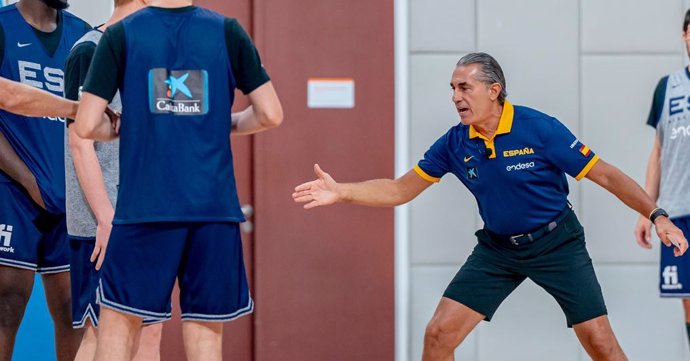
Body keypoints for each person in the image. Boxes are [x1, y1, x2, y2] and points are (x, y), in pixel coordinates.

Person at [293, 52, 688, 361]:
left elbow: (604, 174)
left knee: (601, 344)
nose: (455, 97)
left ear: (493, 90)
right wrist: (342, 191)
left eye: (464, 87)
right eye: (452, 88)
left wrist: (657, 216)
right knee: (438, 334)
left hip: (557, 244)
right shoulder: (454, 143)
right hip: (498, 250)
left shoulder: (538, 128)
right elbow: (400, 189)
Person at [74, 0, 283, 360]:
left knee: (118, 327)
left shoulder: (122, 34)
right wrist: (220, 124)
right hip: (213, 211)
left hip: (144, 209)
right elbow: (270, 114)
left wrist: (129, 128)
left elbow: (87, 125)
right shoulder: (228, 31)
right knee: (205, 339)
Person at [63, 1, 165, 360]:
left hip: (146, 219)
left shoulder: (152, 53)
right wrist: (106, 216)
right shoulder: (90, 49)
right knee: (102, 336)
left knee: (149, 335)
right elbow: (79, 140)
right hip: (102, 225)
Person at [0, 0, 90, 360]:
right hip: (11, 189)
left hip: (70, 193)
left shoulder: (83, 35)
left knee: (74, 311)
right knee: (6, 303)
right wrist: (28, 180)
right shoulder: (4, 26)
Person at [635, 8, 690, 350]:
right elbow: (658, 151)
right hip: (679, 209)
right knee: (689, 301)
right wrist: (647, 209)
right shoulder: (667, 87)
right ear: (685, 35)